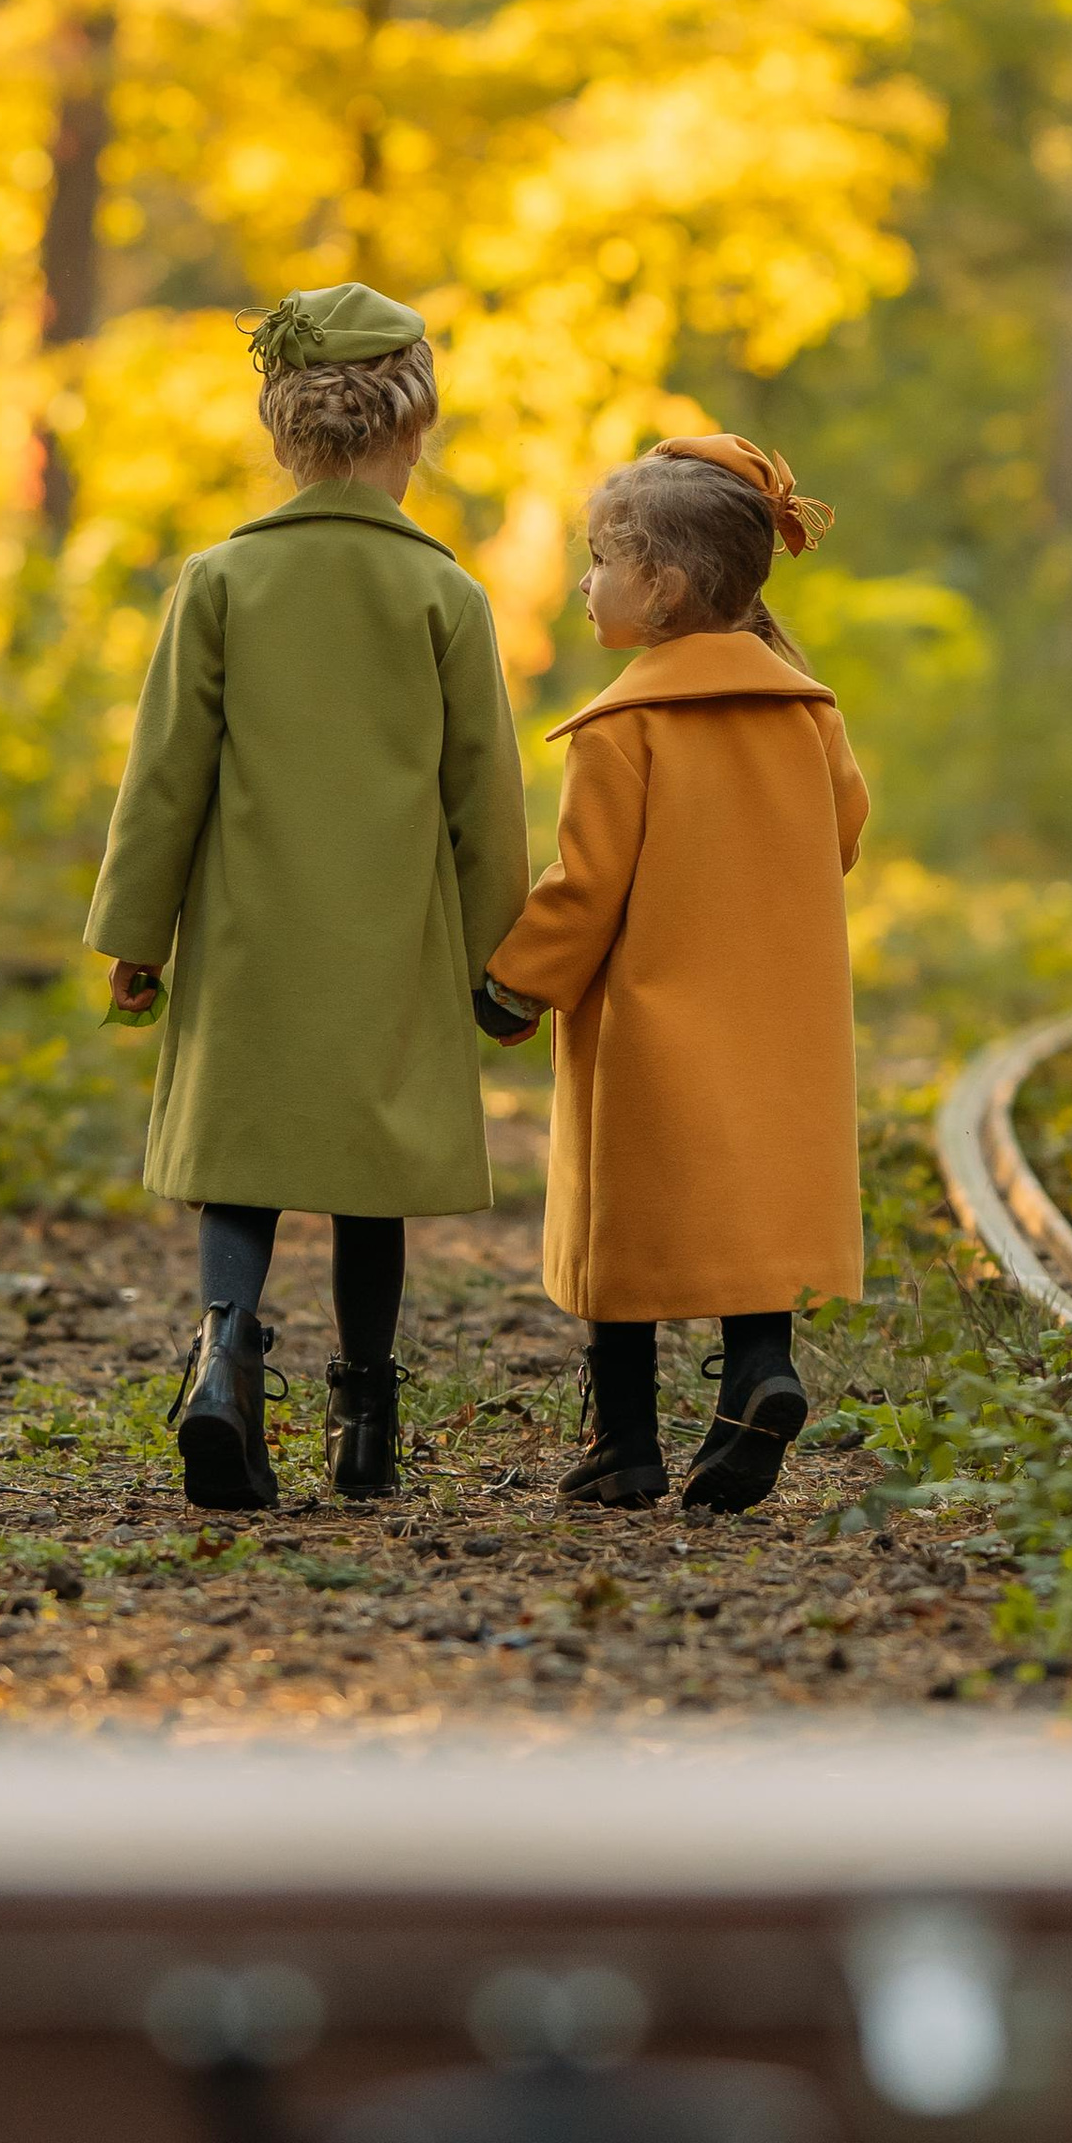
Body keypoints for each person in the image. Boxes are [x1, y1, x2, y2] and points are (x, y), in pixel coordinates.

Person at [84, 285, 529, 1508]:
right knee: (366, 1178)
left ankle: (224, 1360)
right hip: (391, 938)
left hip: (245, 933)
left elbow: (164, 773)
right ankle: (367, 1422)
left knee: (240, 1155)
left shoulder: (221, 580)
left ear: (280, 430)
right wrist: (507, 963)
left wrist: (136, 933)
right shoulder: (446, 596)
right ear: (415, 427)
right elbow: (483, 794)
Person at [478, 434, 869, 1513]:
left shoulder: (622, 728)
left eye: (601, 561)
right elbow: (842, 831)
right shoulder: (806, 710)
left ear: (662, 585)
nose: (585, 584)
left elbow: (585, 885)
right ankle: (758, 1373)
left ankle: (626, 1446)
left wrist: (514, 983)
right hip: (777, 1023)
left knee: (629, 1235)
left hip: (653, 1031)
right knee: (755, 1216)